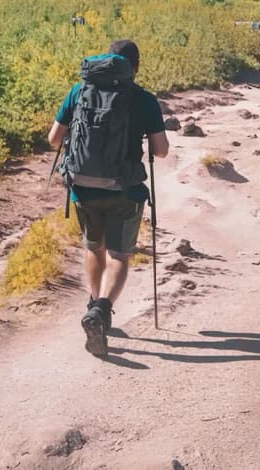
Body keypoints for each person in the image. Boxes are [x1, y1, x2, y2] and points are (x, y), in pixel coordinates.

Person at [47, 39, 169, 356]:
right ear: (135, 67)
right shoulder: (143, 100)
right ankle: (101, 310)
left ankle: (92, 301)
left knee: (94, 246)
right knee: (119, 254)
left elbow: (53, 139)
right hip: (124, 191)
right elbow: (161, 151)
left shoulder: (79, 91)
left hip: (82, 189)